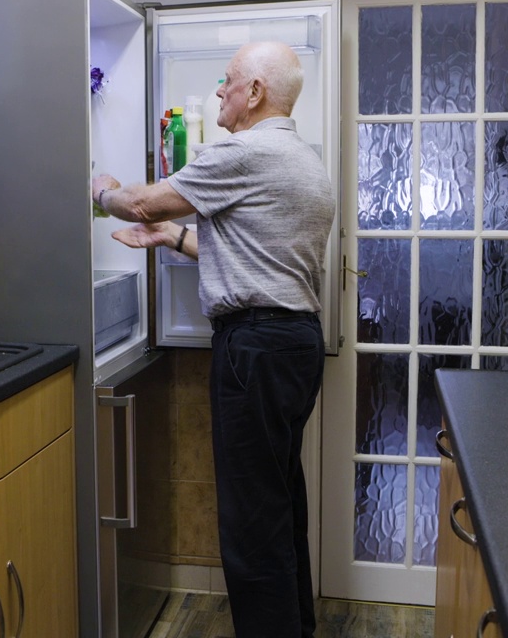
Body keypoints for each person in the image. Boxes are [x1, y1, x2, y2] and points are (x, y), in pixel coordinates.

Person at [92, 41, 334, 637]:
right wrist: (172, 238)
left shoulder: (244, 153)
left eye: (228, 81)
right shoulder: (299, 158)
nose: (220, 91)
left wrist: (100, 190)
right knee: (277, 507)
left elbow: (142, 199)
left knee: (251, 526)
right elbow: (257, 255)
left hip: (255, 349)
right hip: (292, 343)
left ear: (256, 94)